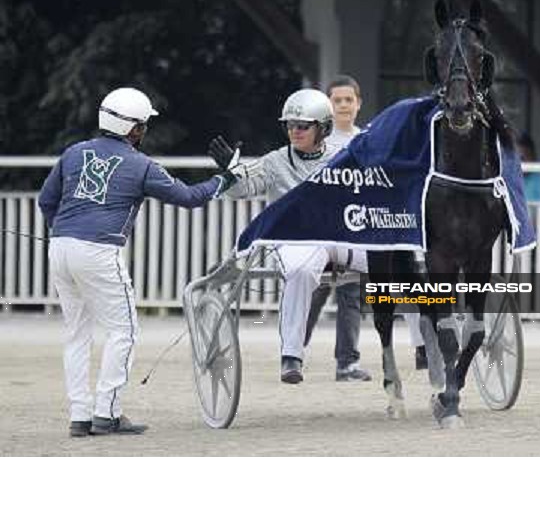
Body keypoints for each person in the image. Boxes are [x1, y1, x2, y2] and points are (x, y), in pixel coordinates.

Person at [38, 87, 237, 438]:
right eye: (143, 126)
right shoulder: (140, 165)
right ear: (134, 129)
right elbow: (188, 198)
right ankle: (107, 414)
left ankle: (80, 416)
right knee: (124, 331)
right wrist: (224, 178)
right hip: (99, 253)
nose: (144, 132)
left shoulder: (73, 153)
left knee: (76, 334)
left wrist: (66, 233)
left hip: (61, 247)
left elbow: (46, 200)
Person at [209, 88, 368, 384]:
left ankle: (426, 344)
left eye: (302, 126)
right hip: (297, 240)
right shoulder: (274, 161)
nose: (294, 131)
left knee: (398, 256)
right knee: (300, 269)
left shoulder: (345, 158)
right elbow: (242, 189)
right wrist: (230, 171)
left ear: (323, 128)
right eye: (290, 125)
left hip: (339, 238)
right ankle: (292, 355)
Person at [303, 75, 372, 381]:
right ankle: (294, 349)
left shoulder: (367, 140)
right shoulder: (319, 142)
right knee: (315, 291)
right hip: (322, 226)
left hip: (354, 228)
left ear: (358, 104)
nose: (344, 105)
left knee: (350, 292)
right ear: (328, 106)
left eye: (349, 100)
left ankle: (347, 363)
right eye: (337, 100)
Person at [517, 131, 540, 201]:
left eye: (526, 156)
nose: (522, 162)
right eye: (520, 158)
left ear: (533, 156)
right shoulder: (510, 176)